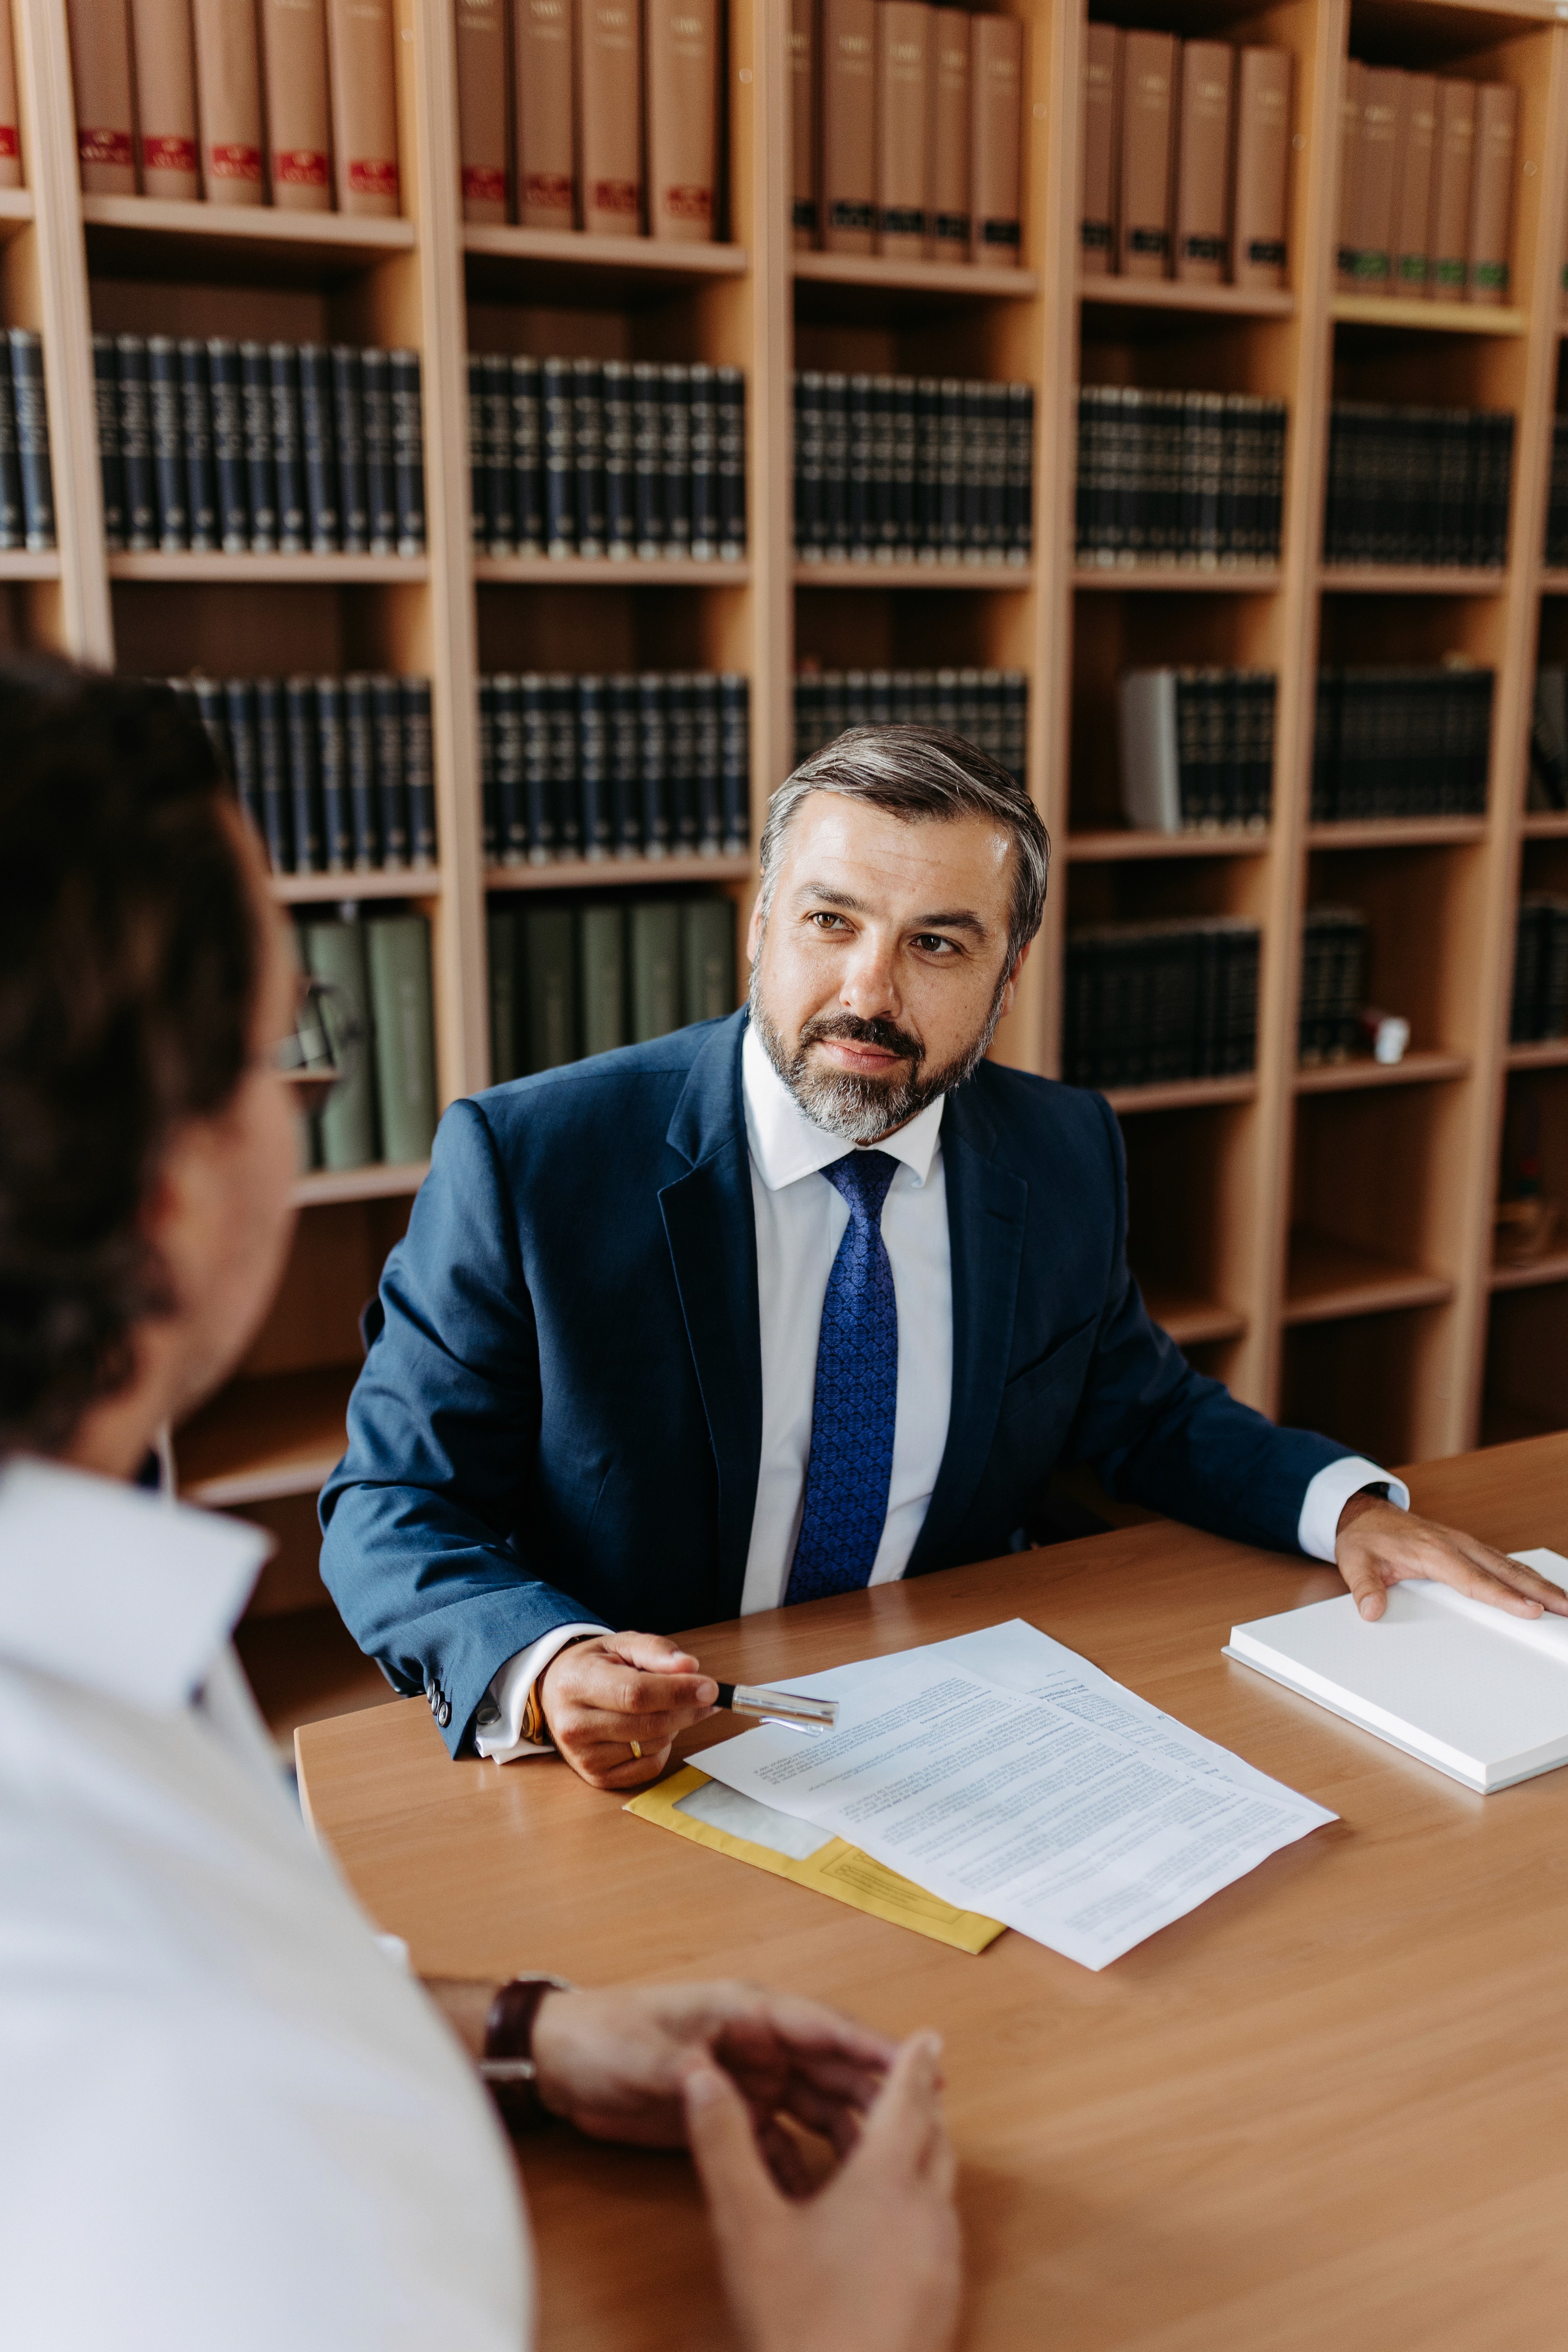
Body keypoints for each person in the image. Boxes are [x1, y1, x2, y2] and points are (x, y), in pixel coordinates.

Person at [0, 662, 961, 2352]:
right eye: (282, 1039)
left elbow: (237, 1977)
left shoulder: (84, 1615)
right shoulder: (144, 2061)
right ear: (177, 1182)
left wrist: (518, 2034)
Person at [321, 724, 1568, 1792]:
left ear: (1008, 974)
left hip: (955, 1718)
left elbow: (1141, 1409)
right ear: (760, 926)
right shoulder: (533, 1162)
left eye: (939, 944)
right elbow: (389, 1505)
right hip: (662, 1739)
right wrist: (546, 1667)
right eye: (830, 921)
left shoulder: (1062, 1150)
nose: (870, 993)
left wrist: (1343, 1508)